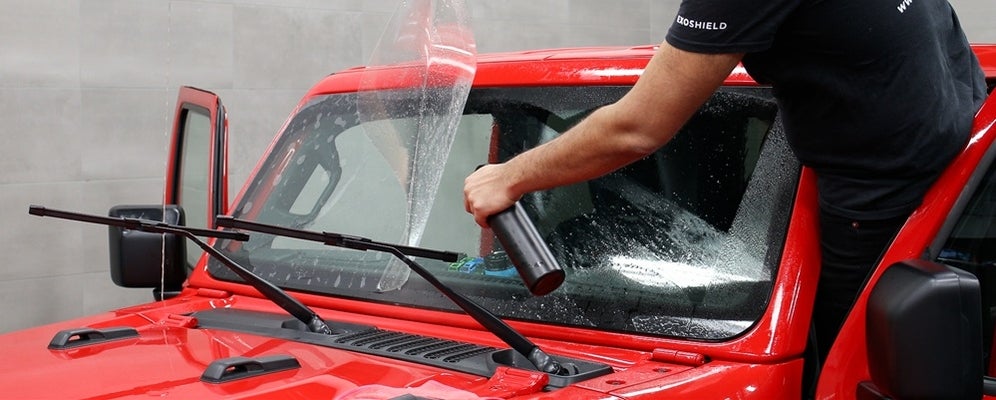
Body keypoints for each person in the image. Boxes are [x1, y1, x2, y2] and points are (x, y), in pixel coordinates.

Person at [464, 0, 986, 368]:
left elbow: (638, 128)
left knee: (858, 373)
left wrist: (510, 177)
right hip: (958, 113)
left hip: (901, 198)